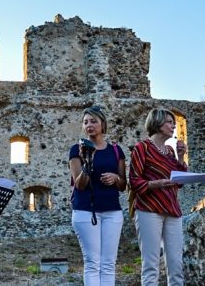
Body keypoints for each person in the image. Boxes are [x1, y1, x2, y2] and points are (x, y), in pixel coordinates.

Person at [68, 106, 127, 286]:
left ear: (103, 124)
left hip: (112, 212)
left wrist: (116, 178)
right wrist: (87, 163)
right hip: (86, 211)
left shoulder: (116, 151)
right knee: (93, 263)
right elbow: (80, 184)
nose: (89, 125)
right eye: (85, 122)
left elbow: (124, 185)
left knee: (109, 264)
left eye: (93, 121)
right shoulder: (76, 150)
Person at [129, 108, 187, 286]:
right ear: (157, 123)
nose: (173, 125)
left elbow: (180, 181)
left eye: (174, 122)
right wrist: (156, 184)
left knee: (176, 264)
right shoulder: (142, 148)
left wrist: (181, 155)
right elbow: (134, 181)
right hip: (148, 209)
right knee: (151, 265)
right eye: (169, 122)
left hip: (172, 209)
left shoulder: (170, 151)